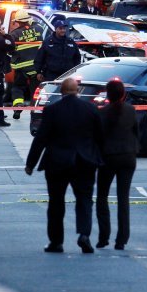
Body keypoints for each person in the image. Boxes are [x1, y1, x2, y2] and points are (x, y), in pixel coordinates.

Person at [25, 78, 104, 254]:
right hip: (84, 162)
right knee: (84, 200)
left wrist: (31, 163)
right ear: (77, 91)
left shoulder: (52, 110)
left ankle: (56, 241)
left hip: (57, 162)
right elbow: (100, 137)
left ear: (61, 92)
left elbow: (41, 138)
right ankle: (84, 234)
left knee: (56, 202)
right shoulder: (90, 109)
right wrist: (99, 159)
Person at [95, 80, 140, 250]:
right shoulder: (131, 110)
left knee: (102, 197)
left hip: (108, 157)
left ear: (108, 94)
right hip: (128, 156)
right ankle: (122, 239)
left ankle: (103, 236)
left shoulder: (102, 113)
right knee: (123, 198)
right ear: (123, 94)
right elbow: (136, 132)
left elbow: (98, 137)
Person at [9, 11, 43, 119]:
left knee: (18, 87)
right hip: (36, 67)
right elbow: (37, 24)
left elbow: (10, 50)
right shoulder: (38, 29)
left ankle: (18, 106)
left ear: (18, 21)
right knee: (35, 90)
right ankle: (34, 112)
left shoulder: (14, 34)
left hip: (21, 67)